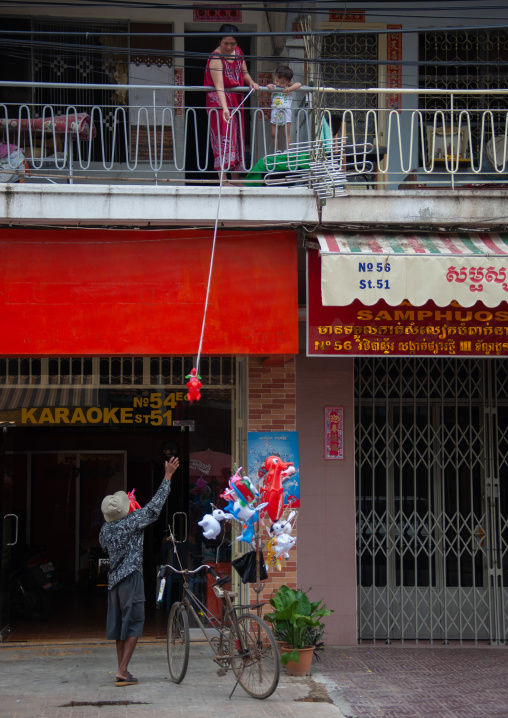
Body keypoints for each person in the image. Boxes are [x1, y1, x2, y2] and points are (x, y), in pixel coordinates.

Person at [99, 456, 179, 687]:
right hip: (131, 577)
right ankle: (123, 671)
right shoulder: (131, 521)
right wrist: (167, 476)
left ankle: (121, 668)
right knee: (134, 622)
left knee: (119, 626)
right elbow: (154, 508)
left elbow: (106, 545)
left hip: (113, 581)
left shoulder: (105, 529)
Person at [204, 24, 259, 185]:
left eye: (232, 43)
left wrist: (251, 82)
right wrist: (225, 109)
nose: (229, 47)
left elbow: (245, 74)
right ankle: (223, 179)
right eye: (225, 43)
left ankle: (235, 179)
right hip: (219, 104)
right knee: (223, 138)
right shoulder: (216, 58)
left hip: (236, 101)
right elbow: (219, 86)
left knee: (236, 138)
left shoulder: (239, 53)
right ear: (219, 41)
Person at [267, 65, 301, 151]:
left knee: (286, 133)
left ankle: (287, 150)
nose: (278, 84)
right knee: (274, 133)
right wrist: (269, 86)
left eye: (281, 83)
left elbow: (299, 84)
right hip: (275, 112)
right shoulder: (274, 87)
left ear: (288, 81)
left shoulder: (288, 87)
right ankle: (277, 150)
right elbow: (267, 91)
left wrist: (289, 88)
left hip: (286, 113)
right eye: (276, 80)